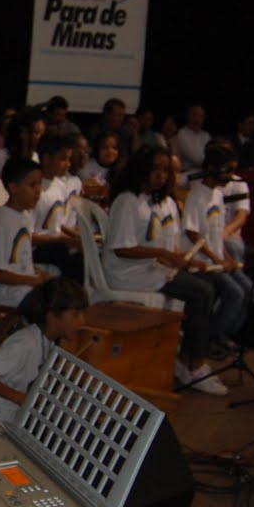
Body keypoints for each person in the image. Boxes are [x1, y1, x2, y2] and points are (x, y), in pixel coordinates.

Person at [103, 147, 226, 394]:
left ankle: (185, 358)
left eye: (165, 170)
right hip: (130, 272)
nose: (161, 175)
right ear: (141, 170)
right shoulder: (127, 200)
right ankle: (195, 366)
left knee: (210, 284)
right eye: (155, 169)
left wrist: (185, 260)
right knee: (201, 292)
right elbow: (122, 249)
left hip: (154, 269)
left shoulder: (162, 201)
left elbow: (167, 246)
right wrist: (163, 255)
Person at [0, 277, 88, 425]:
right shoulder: (26, 343)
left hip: (18, 415)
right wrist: (22, 398)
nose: (83, 321)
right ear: (52, 318)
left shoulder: (47, 340)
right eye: (76, 315)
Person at [182, 140, 252, 350]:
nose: (230, 176)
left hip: (215, 259)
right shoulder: (196, 195)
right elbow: (192, 233)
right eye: (227, 170)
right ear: (212, 168)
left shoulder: (218, 195)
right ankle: (210, 338)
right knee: (235, 293)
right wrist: (216, 259)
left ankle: (222, 333)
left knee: (250, 289)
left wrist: (227, 259)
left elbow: (217, 235)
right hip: (201, 262)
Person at [0, 157, 47, 309]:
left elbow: (19, 262)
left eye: (40, 184)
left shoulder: (25, 217)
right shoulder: (1, 221)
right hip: (4, 292)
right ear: (13, 188)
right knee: (52, 305)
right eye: (32, 185)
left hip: (22, 286)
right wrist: (33, 280)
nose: (38, 191)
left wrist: (36, 274)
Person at [31, 133, 84, 282]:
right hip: (35, 250)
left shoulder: (60, 185)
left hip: (55, 244)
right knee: (73, 260)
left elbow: (57, 225)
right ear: (46, 159)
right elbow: (27, 236)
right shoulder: (33, 190)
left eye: (69, 159)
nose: (68, 164)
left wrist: (78, 237)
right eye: (63, 159)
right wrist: (61, 239)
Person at [173, 105, 208, 173]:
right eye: (194, 115)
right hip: (187, 172)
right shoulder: (181, 134)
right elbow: (196, 158)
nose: (197, 119)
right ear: (188, 116)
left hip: (204, 172)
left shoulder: (206, 135)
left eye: (201, 116)